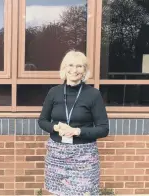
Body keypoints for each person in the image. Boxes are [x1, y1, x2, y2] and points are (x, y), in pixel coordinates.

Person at [38, 50, 109, 195]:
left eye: (79, 66)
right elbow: (42, 121)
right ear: (64, 68)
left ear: (84, 71)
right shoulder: (54, 92)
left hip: (84, 158)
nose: (74, 70)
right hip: (57, 156)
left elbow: (103, 129)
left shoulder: (93, 94)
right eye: (70, 65)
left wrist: (77, 131)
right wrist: (55, 127)